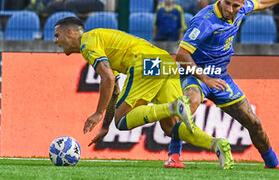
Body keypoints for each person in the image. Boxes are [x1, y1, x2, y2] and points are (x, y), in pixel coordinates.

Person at [163, 0, 279, 169]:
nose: (230, 9)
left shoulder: (241, 9)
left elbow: (263, 2)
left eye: (236, 5)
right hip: (196, 75)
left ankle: (272, 163)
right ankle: (173, 157)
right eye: (227, 3)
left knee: (254, 122)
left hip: (221, 77)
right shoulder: (204, 21)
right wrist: (206, 78)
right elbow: (182, 55)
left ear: (242, 3)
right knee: (189, 104)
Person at [53, 17, 235, 170]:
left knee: (123, 121)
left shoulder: (87, 42)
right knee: (171, 127)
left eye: (57, 35)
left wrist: (99, 113)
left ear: (70, 32)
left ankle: (174, 107)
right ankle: (217, 145)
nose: (55, 41)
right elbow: (114, 90)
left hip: (145, 64)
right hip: (164, 62)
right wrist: (105, 126)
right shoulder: (102, 42)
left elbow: (107, 78)